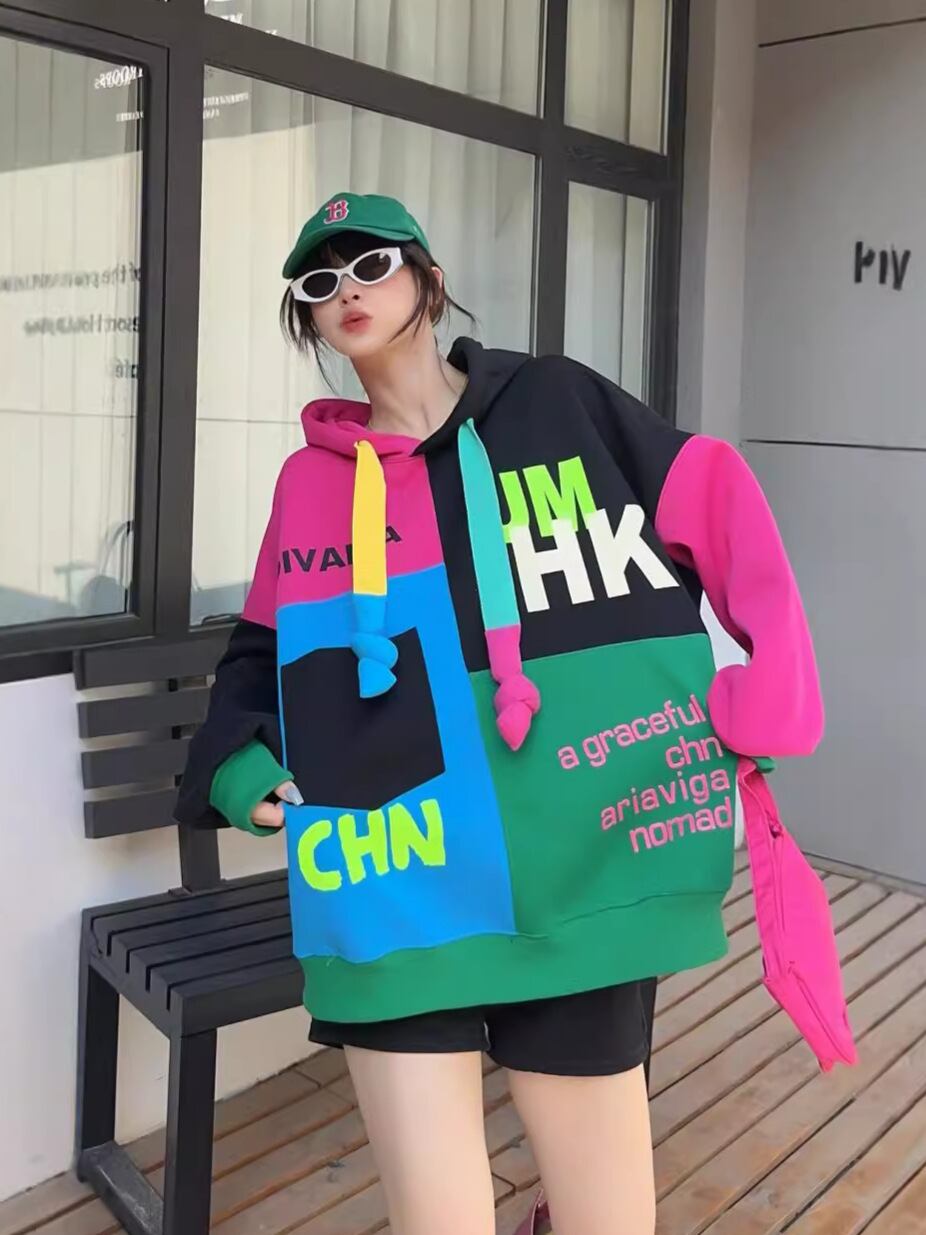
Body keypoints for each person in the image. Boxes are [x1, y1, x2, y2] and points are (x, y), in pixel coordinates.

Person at [176, 191, 824, 1235]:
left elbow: (715, 500)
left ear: (429, 281)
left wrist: (771, 687)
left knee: (608, 1218)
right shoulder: (309, 485)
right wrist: (237, 765)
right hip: (389, 877)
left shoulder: (559, 402)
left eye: (372, 264)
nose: (348, 290)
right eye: (321, 281)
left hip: (582, 863)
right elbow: (260, 651)